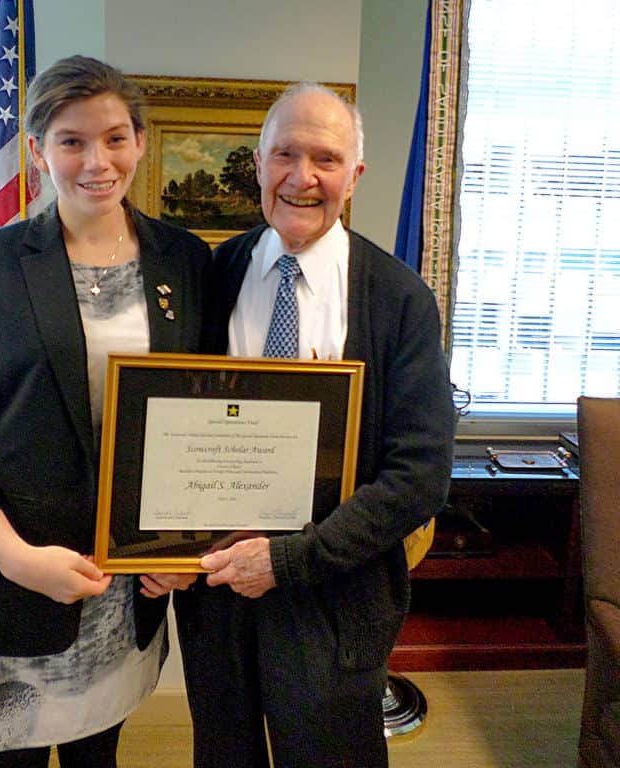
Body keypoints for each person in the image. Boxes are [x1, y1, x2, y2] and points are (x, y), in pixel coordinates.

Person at [0, 55, 206, 768]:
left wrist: (182, 548)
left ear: (139, 141)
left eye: (115, 138)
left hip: (125, 590)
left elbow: (203, 415)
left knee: (98, 756)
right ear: (39, 152)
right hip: (16, 572)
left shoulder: (184, 260)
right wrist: (15, 557)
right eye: (72, 141)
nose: (97, 161)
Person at [173, 83, 456, 768]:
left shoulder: (399, 300)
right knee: (224, 755)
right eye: (285, 155)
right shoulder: (212, 276)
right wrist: (157, 545)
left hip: (336, 595)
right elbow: (170, 429)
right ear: (258, 165)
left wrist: (290, 561)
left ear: (354, 175)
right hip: (220, 595)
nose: (302, 177)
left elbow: (420, 475)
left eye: (326, 159)